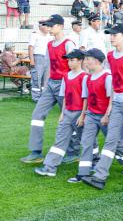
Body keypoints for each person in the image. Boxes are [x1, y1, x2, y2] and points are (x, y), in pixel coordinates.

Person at [82, 24, 123, 190]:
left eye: (114, 35)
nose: (111, 37)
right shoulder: (109, 56)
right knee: (110, 140)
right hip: (117, 104)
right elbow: (113, 83)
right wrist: (110, 108)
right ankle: (100, 177)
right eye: (110, 35)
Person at [66, 48, 123, 183]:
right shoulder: (88, 77)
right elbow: (86, 98)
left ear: (96, 61)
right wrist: (84, 115)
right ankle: (82, 173)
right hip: (91, 114)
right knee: (86, 142)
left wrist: (107, 115)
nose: (85, 62)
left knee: (114, 142)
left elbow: (112, 99)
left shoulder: (107, 76)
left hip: (105, 116)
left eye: (88, 59)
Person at [20, 14, 77, 164]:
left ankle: (74, 151)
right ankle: (36, 151)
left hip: (66, 85)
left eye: (51, 25)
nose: (48, 28)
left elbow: (77, 66)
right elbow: (49, 66)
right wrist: (47, 85)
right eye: (48, 25)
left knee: (68, 119)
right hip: (51, 84)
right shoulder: (50, 45)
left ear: (60, 26)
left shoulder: (68, 44)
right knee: (37, 115)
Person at [34, 49, 88, 177]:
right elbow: (64, 97)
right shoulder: (66, 76)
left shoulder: (84, 77)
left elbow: (86, 98)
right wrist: (62, 113)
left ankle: (94, 163)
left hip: (79, 113)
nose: (69, 62)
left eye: (72, 60)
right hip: (68, 113)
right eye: (68, 60)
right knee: (60, 140)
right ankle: (50, 167)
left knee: (87, 141)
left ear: (80, 61)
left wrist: (83, 115)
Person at [28, 21, 53, 101]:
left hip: (47, 58)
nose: (48, 28)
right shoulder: (35, 35)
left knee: (46, 79)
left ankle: (43, 97)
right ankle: (36, 97)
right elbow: (31, 48)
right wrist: (32, 60)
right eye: (46, 26)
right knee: (36, 78)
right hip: (38, 57)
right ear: (40, 26)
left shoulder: (50, 36)